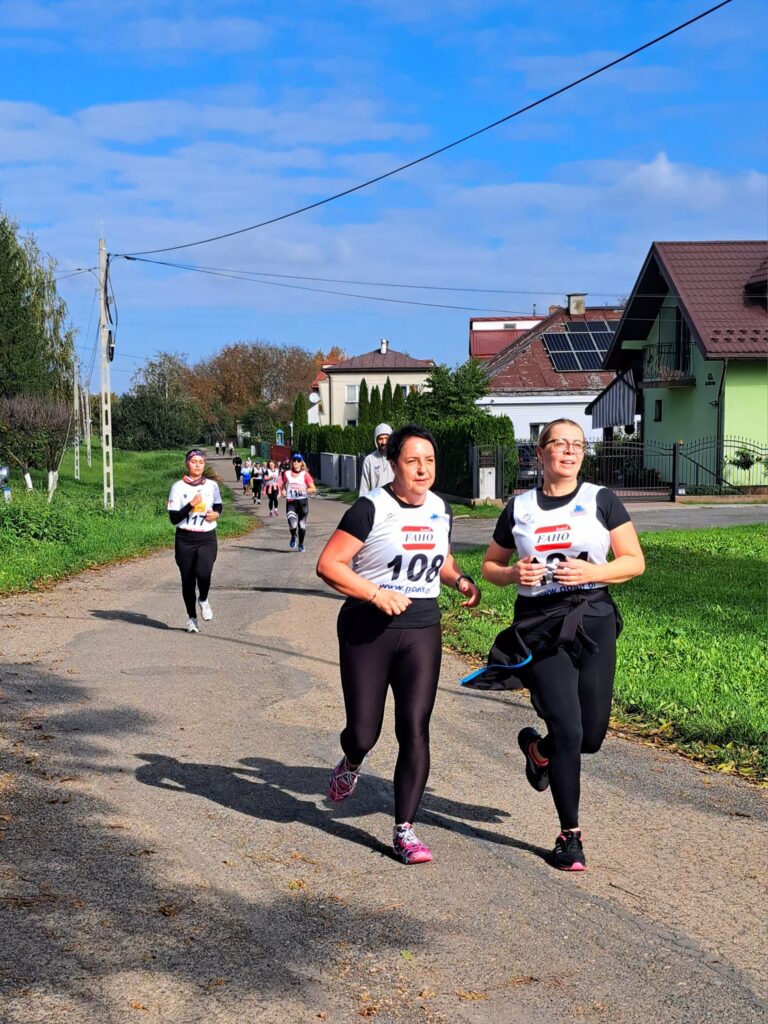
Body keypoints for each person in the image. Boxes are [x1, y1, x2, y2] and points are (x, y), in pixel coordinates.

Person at [478, 419, 645, 871]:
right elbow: (491, 565)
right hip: (540, 626)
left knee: (590, 736)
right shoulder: (520, 507)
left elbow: (634, 561)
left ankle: (540, 752)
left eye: (577, 445)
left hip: (593, 619)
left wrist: (593, 572)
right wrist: (514, 574)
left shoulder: (601, 500)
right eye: (560, 444)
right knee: (569, 730)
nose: (570, 452)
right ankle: (569, 835)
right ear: (540, 452)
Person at [316, 424, 481, 864]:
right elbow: (329, 565)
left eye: (429, 461)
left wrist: (459, 579)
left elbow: (439, 556)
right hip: (367, 627)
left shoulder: (440, 508)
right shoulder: (370, 508)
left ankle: (404, 828)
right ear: (394, 465)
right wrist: (375, 593)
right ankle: (351, 762)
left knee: (414, 728)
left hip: (422, 625)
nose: (423, 469)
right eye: (413, 461)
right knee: (364, 732)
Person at [166, 449, 222, 633]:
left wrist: (216, 514)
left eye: (201, 462)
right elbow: (174, 519)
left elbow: (218, 505)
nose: (197, 465)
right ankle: (192, 618)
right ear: (187, 464)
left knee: (204, 573)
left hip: (206, 537)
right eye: (194, 461)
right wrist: (191, 504)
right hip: (185, 539)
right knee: (188, 581)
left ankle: (203, 599)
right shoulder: (178, 487)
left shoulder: (212, 485)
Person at [280, 454, 316, 551]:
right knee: (292, 524)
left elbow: (313, 489)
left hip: (302, 503)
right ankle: (293, 536)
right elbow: (282, 485)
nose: (296, 462)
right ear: (291, 462)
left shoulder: (305, 474)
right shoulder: (286, 474)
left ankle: (301, 544)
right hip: (291, 502)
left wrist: (304, 489)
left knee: (301, 525)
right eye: (294, 460)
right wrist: (282, 490)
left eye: (298, 460)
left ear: (301, 463)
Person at [359, 422, 394, 496]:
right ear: (376, 440)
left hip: (394, 503)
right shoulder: (369, 460)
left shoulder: (398, 457)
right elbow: (364, 487)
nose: (383, 442)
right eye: (380, 439)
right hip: (375, 502)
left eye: (386, 438)